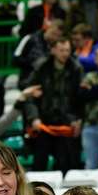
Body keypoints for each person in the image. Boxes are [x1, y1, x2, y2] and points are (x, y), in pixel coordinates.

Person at [23, 37, 83, 173]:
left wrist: (78, 119)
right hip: (44, 123)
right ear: (53, 50)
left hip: (66, 124)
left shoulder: (76, 69)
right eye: (61, 50)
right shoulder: (41, 68)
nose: (65, 53)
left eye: (67, 50)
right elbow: (29, 96)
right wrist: (34, 118)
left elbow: (80, 99)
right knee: (39, 164)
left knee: (66, 164)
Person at [14, 18, 64, 83]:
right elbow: (15, 59)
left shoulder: (58, 45)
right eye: (53, 33)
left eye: (58, 36)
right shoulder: (30, 38)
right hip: (28, 80)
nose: (54, 38)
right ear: (48, 28)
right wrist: (33, 62)